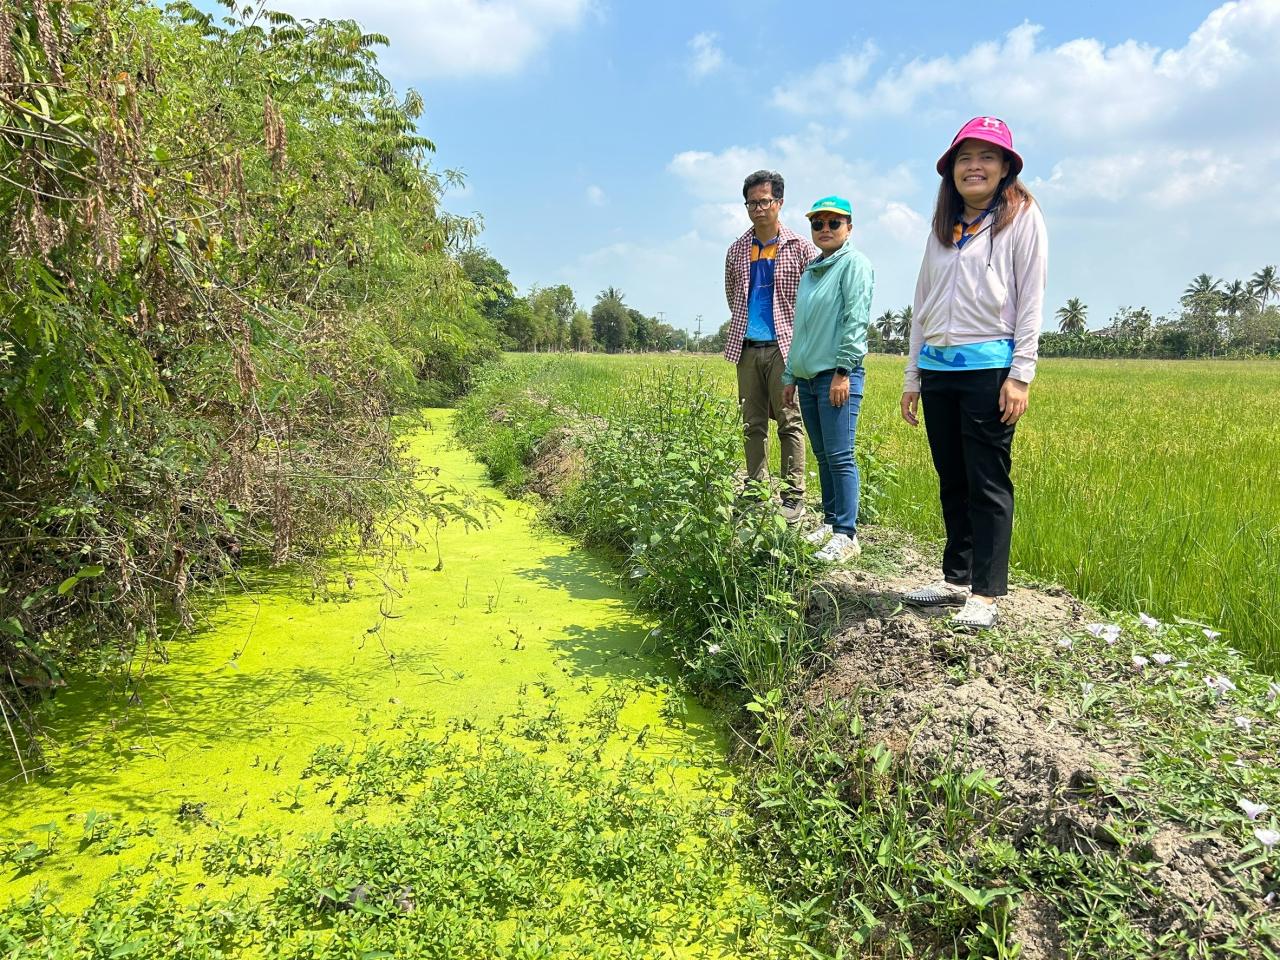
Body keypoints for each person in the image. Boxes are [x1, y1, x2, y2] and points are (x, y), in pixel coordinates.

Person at [899, 116, 1048, 628]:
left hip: (990, 369)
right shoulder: (943, 228)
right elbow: (921, 302)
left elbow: (1031, 298)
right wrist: (913, 375)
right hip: (938, 369)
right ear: (951, 170)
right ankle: (954, 579)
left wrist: (1021, 374)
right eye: (965, 158)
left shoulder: (1022, 217)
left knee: (987, 480)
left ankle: (985, 593)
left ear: (1005, 167)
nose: (975, 167)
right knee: (952, 478)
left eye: (987, 157)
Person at [781, 196, 874, 563]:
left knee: (840, 455)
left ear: (849, 227)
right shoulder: (811, 271)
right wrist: (790, 374)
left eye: (834, 222)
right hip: (807, 377)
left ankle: (847, 534)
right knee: (822, 455)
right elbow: (800, 329)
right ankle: (832, 521)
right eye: (817, 223)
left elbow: (856, 320)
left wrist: (843, 371)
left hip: (835, 376)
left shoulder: (854, 264)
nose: (824, 229)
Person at [723, 170, 818, 523]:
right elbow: (733, 295)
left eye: (764, 201)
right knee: (752, 423)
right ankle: (755, 489)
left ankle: (793, 493)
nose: (758, 208)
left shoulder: (800, 248)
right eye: (752, 203)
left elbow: (813, 301)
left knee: (789, 421)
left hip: (785, 348)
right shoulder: (737, 250)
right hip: (747, 347)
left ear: (779, 202)